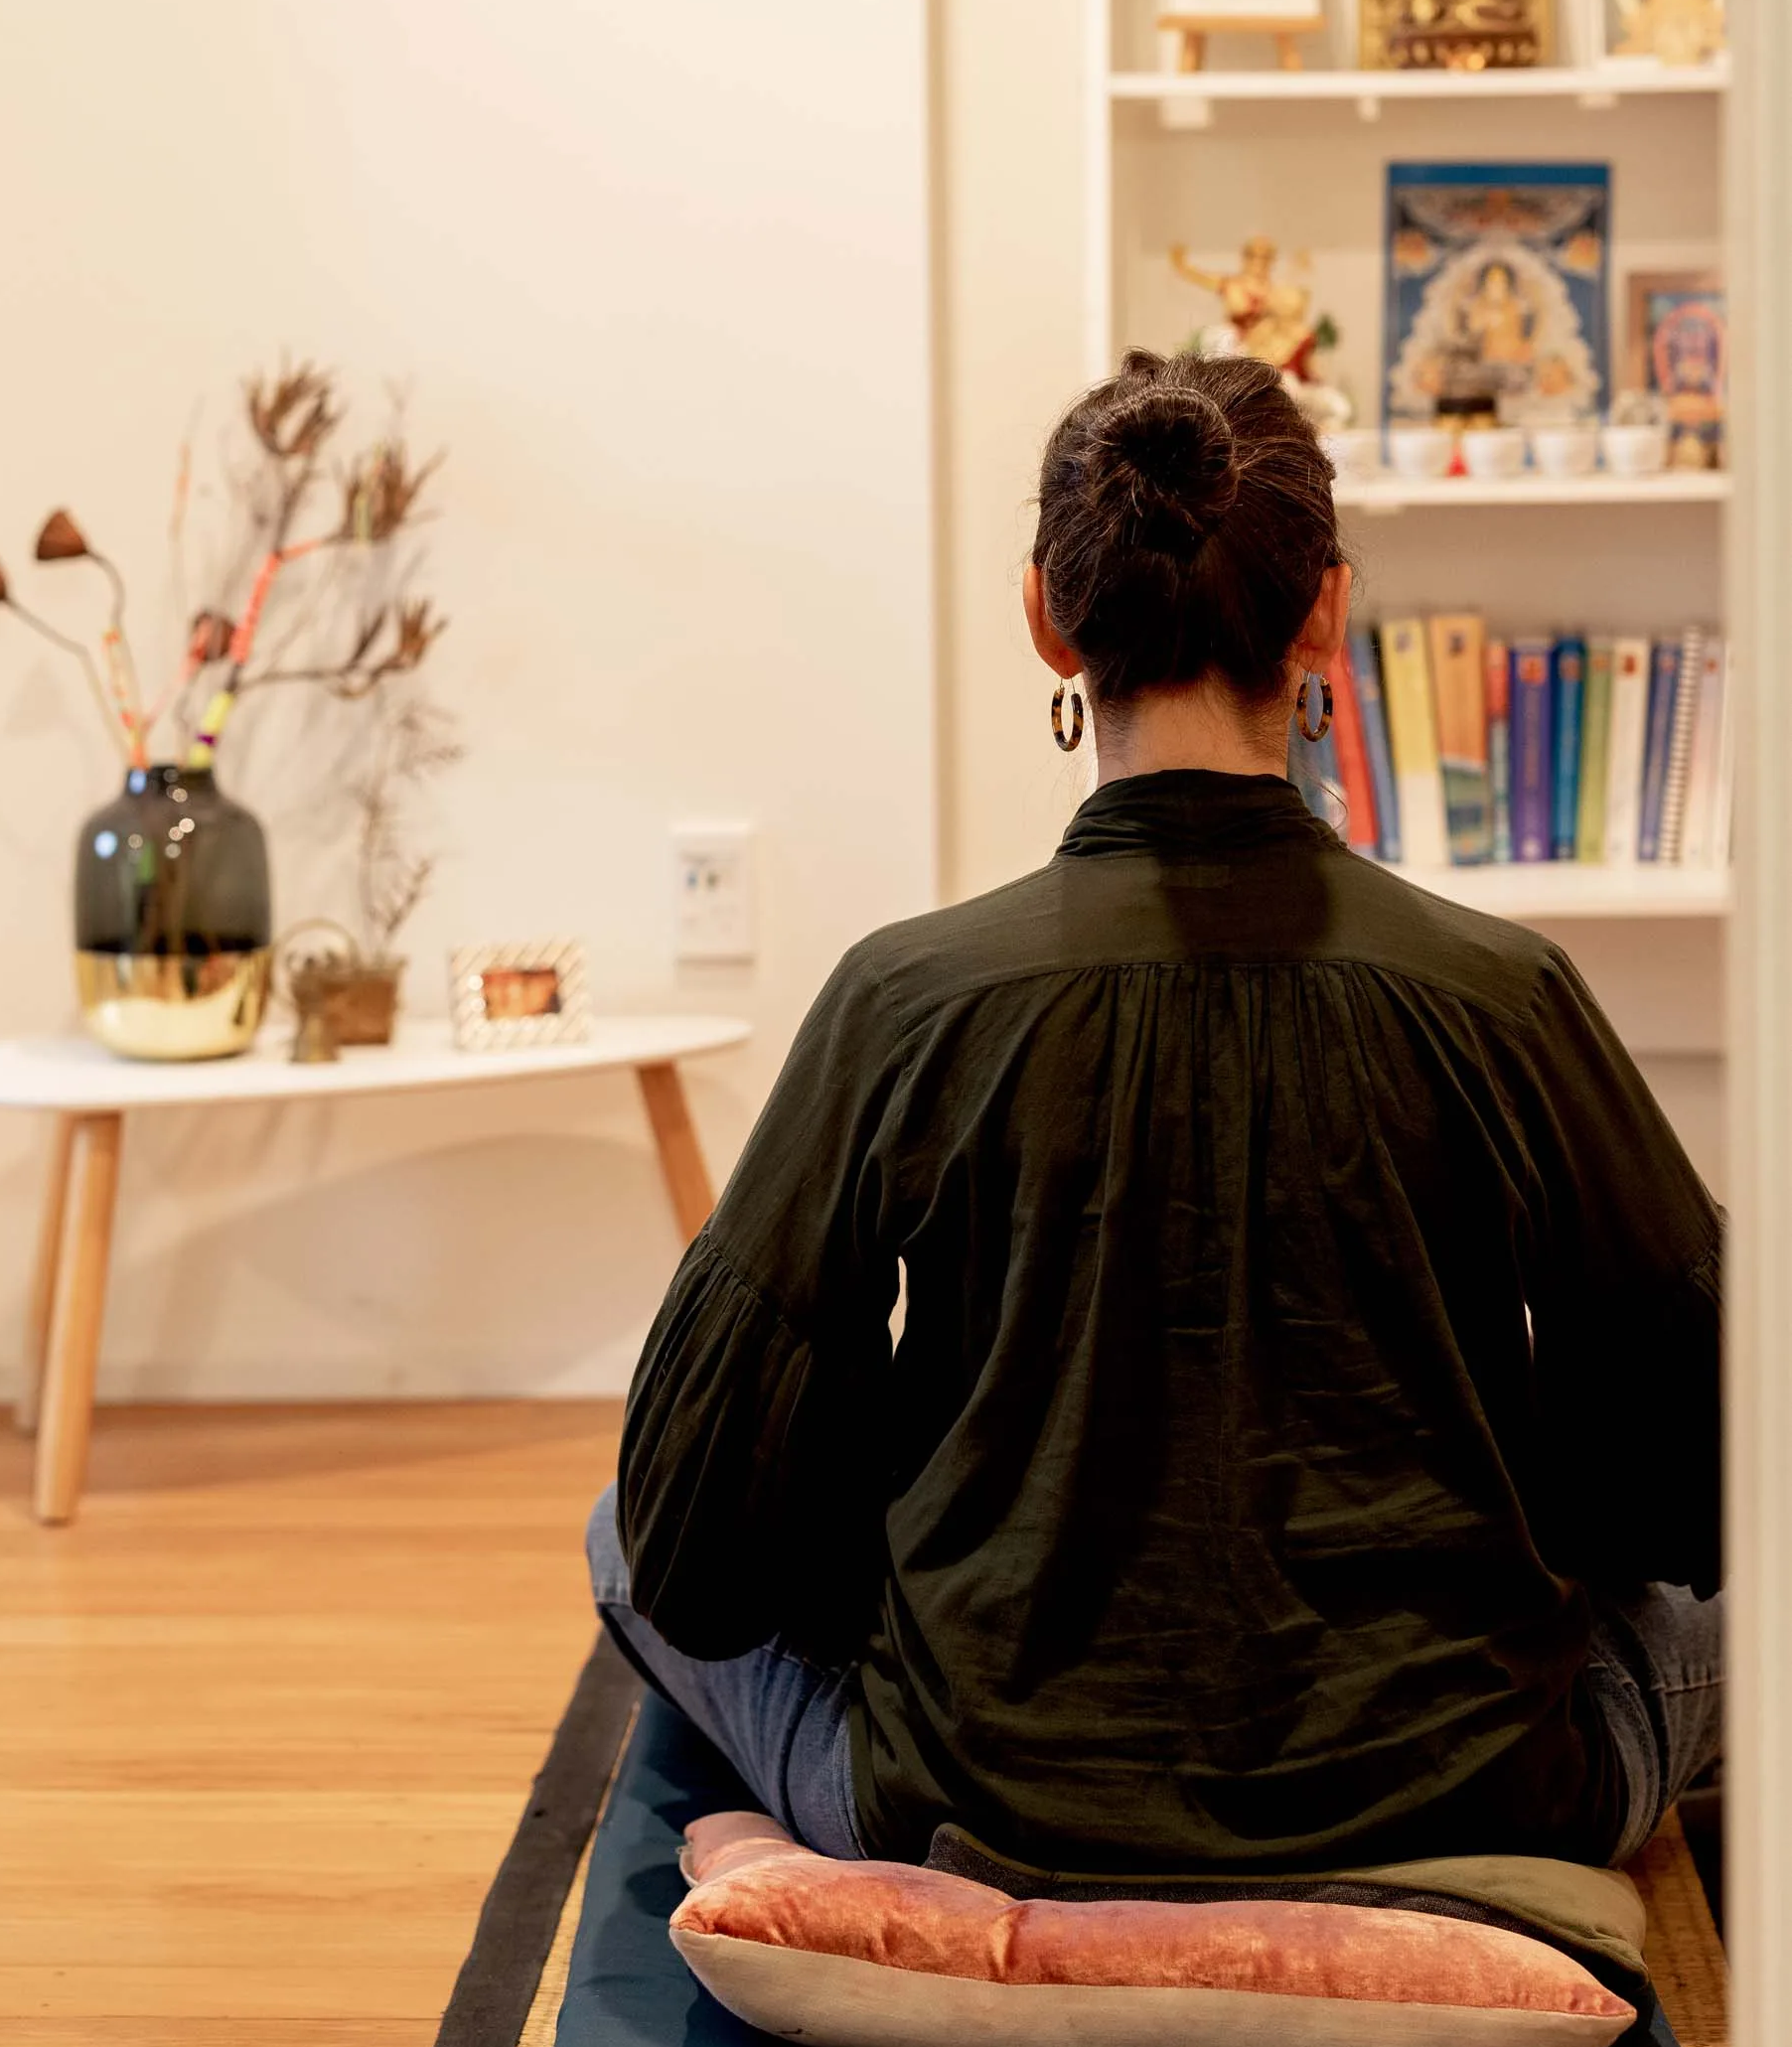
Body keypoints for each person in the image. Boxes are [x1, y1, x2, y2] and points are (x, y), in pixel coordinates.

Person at [592, 348, 1721, 1877]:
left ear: (1048, 617)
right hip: (1472, 1798)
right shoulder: (1504, 995)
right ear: (1325, 610)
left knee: (615, 1531)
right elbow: (1710, 1482)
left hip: (979, 1802)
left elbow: (696, 1541)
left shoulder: (905, 999)